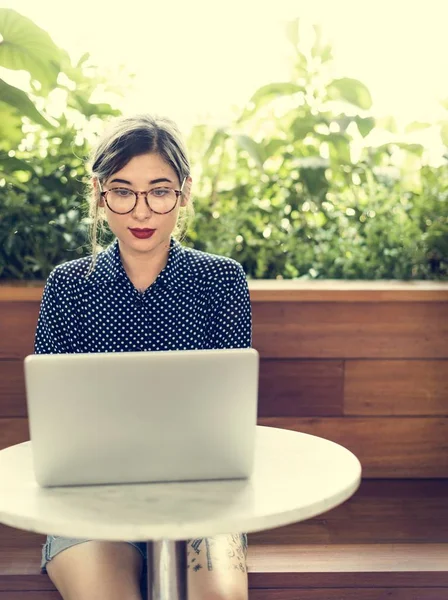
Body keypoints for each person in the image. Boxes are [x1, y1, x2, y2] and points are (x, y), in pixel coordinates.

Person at [35, 114, 252, 600]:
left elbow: (227, 413)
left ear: (184, 193)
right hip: (88, 502)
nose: (141, 211)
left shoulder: (222, 282)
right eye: (122, 190)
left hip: (203, 500)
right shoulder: (68, 287)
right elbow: (55, 420)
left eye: (158, 190)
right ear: (99, 193)